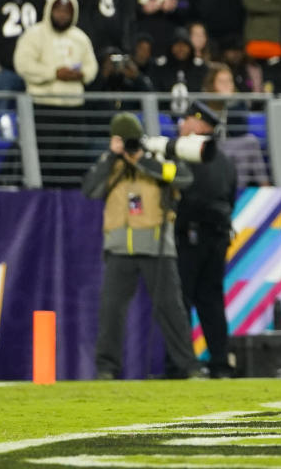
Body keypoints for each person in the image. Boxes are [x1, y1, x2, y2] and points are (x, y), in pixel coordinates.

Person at [81, 112, 199, 380]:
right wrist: (114, 157)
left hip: (157, 245)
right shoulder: (109, 165)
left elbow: (184, 178)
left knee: (171, 309)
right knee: (111, 310)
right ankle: (107, 368)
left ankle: (189, 366)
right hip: (119, 247)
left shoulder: (156, 159)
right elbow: (89, 189)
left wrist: (142, 160)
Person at [174, 101, 238, 379]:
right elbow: (230, 197)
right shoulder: (224, 160)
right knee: (212, 301)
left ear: (200, 125)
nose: (181, 124)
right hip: (218, 236)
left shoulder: (188, 156)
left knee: (181, 300)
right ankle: (220, 362)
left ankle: (181, 364)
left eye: (187, 119)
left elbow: (185, 196)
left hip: (190, 235)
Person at [13, 0, 98, 185]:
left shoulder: (80, 38)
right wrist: (54, 73)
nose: (62, 15)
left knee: (74, 160)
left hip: (74, 108)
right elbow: (23, 64)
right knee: (45, 158)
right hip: (43, 106)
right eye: (58, 10)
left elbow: (91, 67)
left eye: (67, 11)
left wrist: (81, 74)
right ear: (50, 10)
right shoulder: (34, 35)